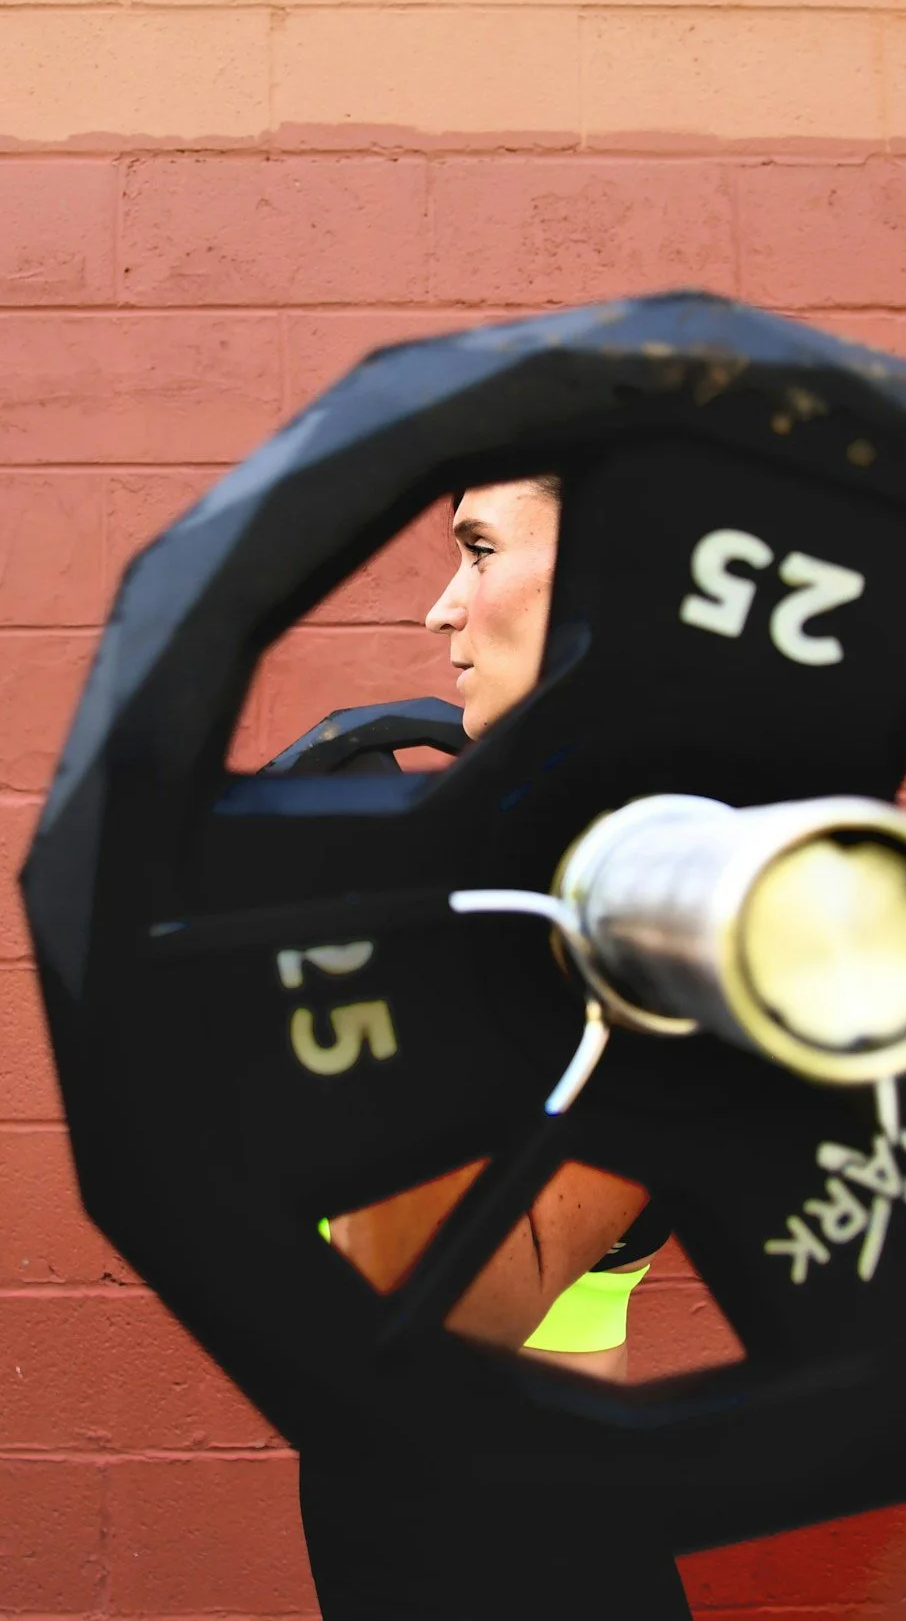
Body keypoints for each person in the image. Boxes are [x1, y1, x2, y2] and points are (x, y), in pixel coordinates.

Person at [295, 477, 694, 1620]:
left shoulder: (664, 920)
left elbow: (434, 1305)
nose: (441, 606)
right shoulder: (523, 896)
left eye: (479, 551)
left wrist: (357, 938)